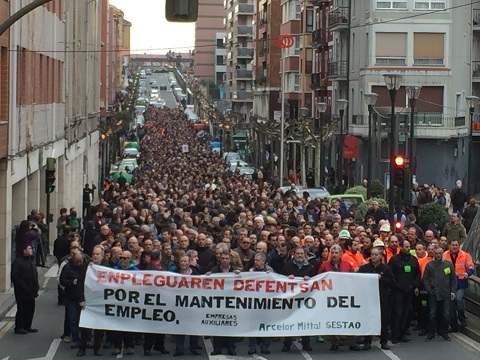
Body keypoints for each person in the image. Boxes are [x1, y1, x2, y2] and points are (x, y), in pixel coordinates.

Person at [318, 244, 360, 351]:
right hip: (330, 296)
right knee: (332, 318)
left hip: (345, 296)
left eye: (337, 253)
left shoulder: (347, 265)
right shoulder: (324, 265)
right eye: (333, 253)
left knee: (349, 317)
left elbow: (354, 279)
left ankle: (352, 342)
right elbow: (318, 279)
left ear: (341, 254)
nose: (334, 255)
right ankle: (334, 342)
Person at [358, 247, 394, 350]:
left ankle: (384, 341)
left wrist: (381, 278)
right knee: (368, 319)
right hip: (368, 299)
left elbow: (391, 282)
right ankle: (367, 342)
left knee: (384, 320)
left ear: (381, 256)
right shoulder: (364, 268)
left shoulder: (386, 268)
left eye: (376, 255)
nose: (373, 257)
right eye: (372, 254)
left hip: (382, 298)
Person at [281, 246, 314, 352]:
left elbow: (316, 282)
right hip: (291, 299)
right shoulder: (287, 265)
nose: (299, 255)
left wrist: (310, 279)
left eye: (301, 253)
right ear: (294, 254)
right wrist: (287, 278)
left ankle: (306, 343)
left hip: (305, 299)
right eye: (297, 253)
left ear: (304, 254)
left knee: (305, 321)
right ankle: (287, 343)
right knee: (290, 320)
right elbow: (280, 280)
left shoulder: (310, 267)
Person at [77, 245, 108, 357]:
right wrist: (81, 299)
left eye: (97, 254)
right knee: (85, 327)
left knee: (99, 327)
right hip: (87, 301)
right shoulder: (86, 267)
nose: (95, 256)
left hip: (100, 301)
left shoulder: (106, 267)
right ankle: (82, 348)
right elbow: (80, 284)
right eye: (94, 254)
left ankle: (97, 348)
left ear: (102, 255)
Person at [388, 240, 420, 344]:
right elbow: (390, 274)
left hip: (409, 291)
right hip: (397, 291)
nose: (407, 249)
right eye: (405, 247)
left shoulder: (413, 260)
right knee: (397, 312)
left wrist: (414, 285)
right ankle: (395, 335)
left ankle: (402, 333)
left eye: (409, 247)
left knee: (406, 312)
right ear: (401, 247)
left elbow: (417, 274)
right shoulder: (394, 260)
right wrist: (396, 286)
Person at [423, 246, 456, 341]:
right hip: (433, 293)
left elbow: (453, 278)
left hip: (445, 293)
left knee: (446, 314)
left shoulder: (448, 264)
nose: (438, 255)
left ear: (442, 253)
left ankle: (445, 333)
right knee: (432, 313)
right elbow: (425, 279)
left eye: (440, 253)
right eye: (436, 253)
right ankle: (431, 333)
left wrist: (453, 291)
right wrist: (429, 289)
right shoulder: (429, 265)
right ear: (434, 254)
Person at [443, 239, 474, 330]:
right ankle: (454, 324)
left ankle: (462, 318)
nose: (455, 246)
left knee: (459, 300)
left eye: (456, 245)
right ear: (449, 246)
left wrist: (467, 273)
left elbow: (471, 266)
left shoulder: (465, 255)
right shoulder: (445, 255)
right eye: (453, 245)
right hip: (448, 283)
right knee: (452, 304)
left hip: (460, 282)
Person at [11, 244, 39, 335]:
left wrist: (36, 287)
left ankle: (27, 325)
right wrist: (23, 285)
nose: (32, 250)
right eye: (30, 248)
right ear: (24, 250)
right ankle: (19, 327)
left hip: (31, 290)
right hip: (22, 291)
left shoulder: (31, 260)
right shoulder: (18, 262)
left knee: (31, 308)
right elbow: (15, 276)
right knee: (22, 309)